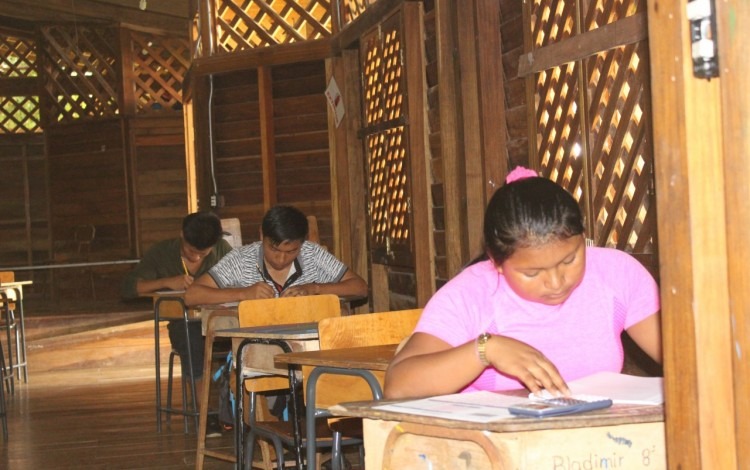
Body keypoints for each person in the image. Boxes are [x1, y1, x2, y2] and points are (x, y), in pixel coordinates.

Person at [384, 167, 662, 399]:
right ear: (497, 263)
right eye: (532, 273)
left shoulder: (616, 274)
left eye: (569, 260)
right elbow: (398, 386)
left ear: (583, 236)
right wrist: (485, 350)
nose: (556, 282)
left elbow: (683, 356)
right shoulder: (470, 295)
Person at [121, 211, 232, 412]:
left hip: (220, 322)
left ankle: (235, 411)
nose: (196, 256)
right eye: (191, 251)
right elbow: (129, 288)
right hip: (185, 325)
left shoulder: (222, 249)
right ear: (182, 234)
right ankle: (205, 411)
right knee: (191, 338)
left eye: (203, 253)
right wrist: (165, 282)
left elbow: (244, 281)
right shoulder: (162, 253)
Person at [184, 205, 368, 306]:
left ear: (302, 243)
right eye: (274, 249)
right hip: (257, 347)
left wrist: (315, 289)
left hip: (309, 345)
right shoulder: (241, 259)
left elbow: (360, 287)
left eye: (291, 252)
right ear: (261, 236)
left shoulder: (312, 253)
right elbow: (192, 295)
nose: (281, 259)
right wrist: (243, 293)